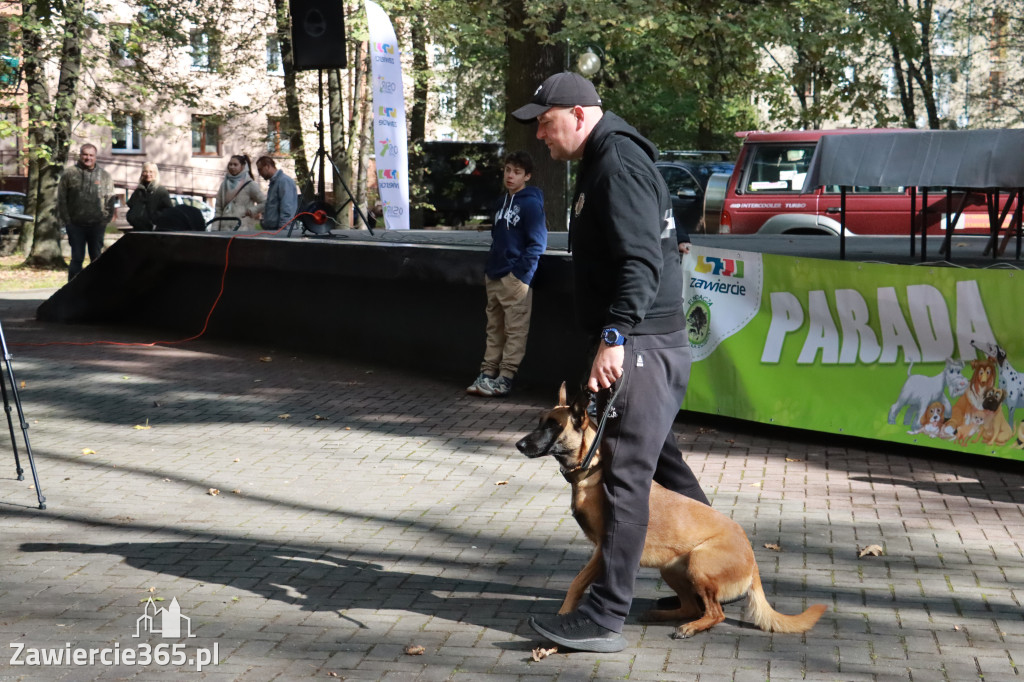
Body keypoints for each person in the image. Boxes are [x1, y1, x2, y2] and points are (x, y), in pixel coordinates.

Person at [512, 72, 710, 653]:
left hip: (642, 342)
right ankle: (707, 569)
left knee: (624, 475)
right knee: (663, 466)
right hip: (651, 340)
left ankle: (603, 614)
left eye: (545, 123)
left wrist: (616, 335)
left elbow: (642, 262)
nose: (541, 136)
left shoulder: (616, 163)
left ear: (577, 113)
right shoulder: (610, 157)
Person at [466, 151, 548, 398]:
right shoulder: (501, 203)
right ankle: (488, 372)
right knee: (494, 328)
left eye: (517, 172)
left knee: (515, 330)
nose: (510, 176)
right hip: (494, 274)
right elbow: (497, 237)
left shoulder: (531, 204)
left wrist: (520, 275)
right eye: (507, 170)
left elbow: (537, 244)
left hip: (515, 280)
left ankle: (506, 377)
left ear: (527, 176)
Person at [57, 143, 116, 280]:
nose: (88, 158)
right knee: (77, 258)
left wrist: (104, 221)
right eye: (85, 154)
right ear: (80, 155)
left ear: (95, 157)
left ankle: (95, 288)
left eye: (91, 155)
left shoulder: (104, 176)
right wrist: (68, 221)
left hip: (97, 225)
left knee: (97, 258)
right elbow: (61, 199)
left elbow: (110, 200)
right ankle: (72, 290)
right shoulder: (69, 174)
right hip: (75, 225)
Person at [214, 154, 265, 231]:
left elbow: (264, 202)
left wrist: (251, 211)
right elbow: (218, 208)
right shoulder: (224, 184)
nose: (232, 167)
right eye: (230, 164)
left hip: (243, 230)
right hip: (224, 230)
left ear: (243, 166)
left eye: (235, 165)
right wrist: (214, 229)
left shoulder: (250, 184)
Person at [125, 162, 172, 232]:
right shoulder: (138, 191)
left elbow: (168, 210)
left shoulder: (161, 191)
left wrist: (154, 221)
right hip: (137, 229)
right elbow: (131, 207)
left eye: (151, 172)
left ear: (155, 173)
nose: (148, 174)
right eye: (145, 171)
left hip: (154, 231)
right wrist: (131, 218)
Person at [255, 156, 298, 231]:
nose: (259, 173)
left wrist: (283, 230)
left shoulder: (284, 181)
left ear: (267, 166)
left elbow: (287, 208)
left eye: (260, 169)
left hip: (281, 231)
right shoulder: (274, 183)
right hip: (273, 230)